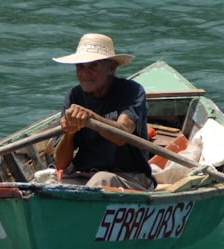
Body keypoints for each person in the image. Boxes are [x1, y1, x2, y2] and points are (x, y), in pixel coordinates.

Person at [52, 33, 156, 190]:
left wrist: (91, 117)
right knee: (54, 187)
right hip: (84, 175)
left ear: (111, 68)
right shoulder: (74, 96)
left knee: (100, 181)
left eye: (93, 65)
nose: (85, 73)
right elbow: (60, 163)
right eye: (80, 66)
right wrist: (69, 132)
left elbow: (122, 134)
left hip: (129, 177)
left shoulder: (131, 91)